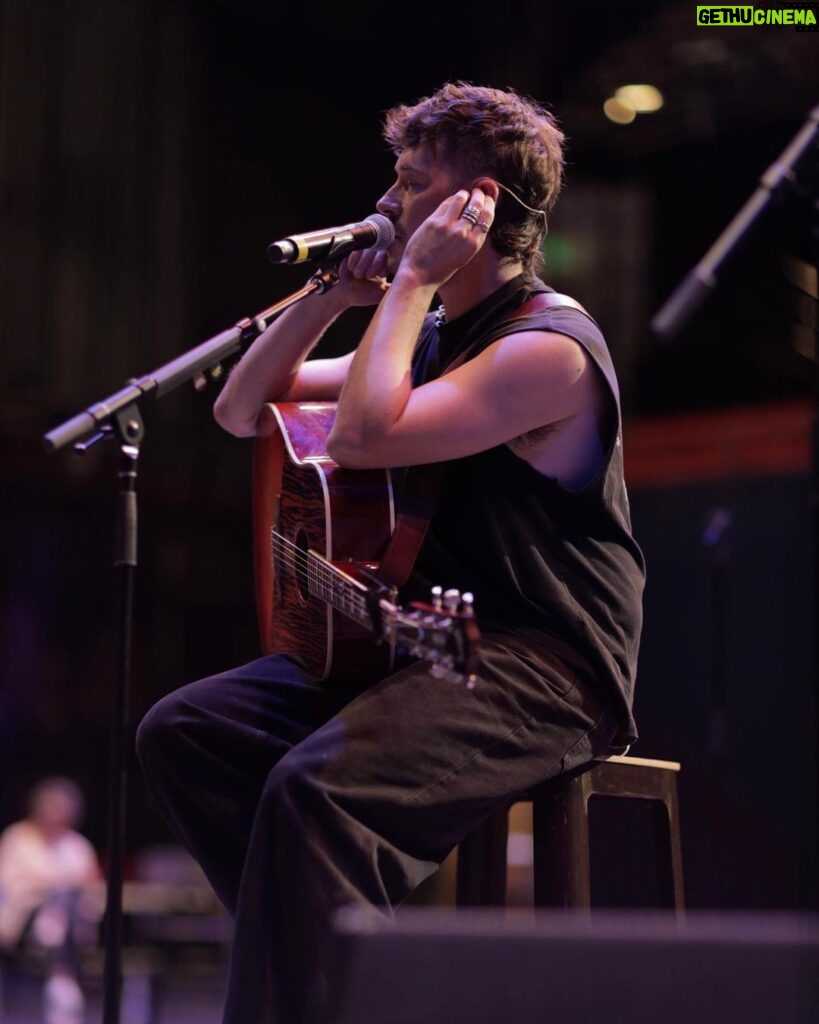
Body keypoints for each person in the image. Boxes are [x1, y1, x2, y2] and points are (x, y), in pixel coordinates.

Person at [136, 81, 645, 1024]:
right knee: (186, 734)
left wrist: (408, 285)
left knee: (312, 794)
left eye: (409, 184)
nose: (385, 203)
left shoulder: (550, 348)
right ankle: (348, 977)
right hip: (425, 642)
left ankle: (328, 987)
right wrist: (333, 294)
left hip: (541, 665)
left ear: (473, 207)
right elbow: (243, 407)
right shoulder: (434, 332)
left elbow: (365, 436)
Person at [0, 776, 103, 1024]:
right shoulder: (17, 838)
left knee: (65, 903)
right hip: (21, 923)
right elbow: (8, 884)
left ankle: (61, 977)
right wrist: (51, 885)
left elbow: (93, 885)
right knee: (56, 905)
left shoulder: (77, 845)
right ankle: (62, 980)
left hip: (72, 924)